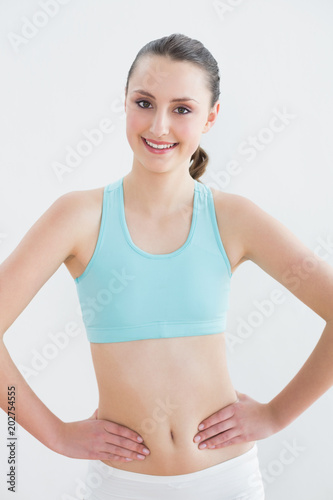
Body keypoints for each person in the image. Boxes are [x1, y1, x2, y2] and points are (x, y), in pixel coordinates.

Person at [1, 33, 333, 500]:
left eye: (182, 109)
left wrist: (278, 414)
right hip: (123, 485)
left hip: (229, 481)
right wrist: (52, 434)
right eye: (144, 103)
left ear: (211, 116)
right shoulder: (78, 217)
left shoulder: (231, 218)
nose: (158, 126)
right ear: (125, 102)